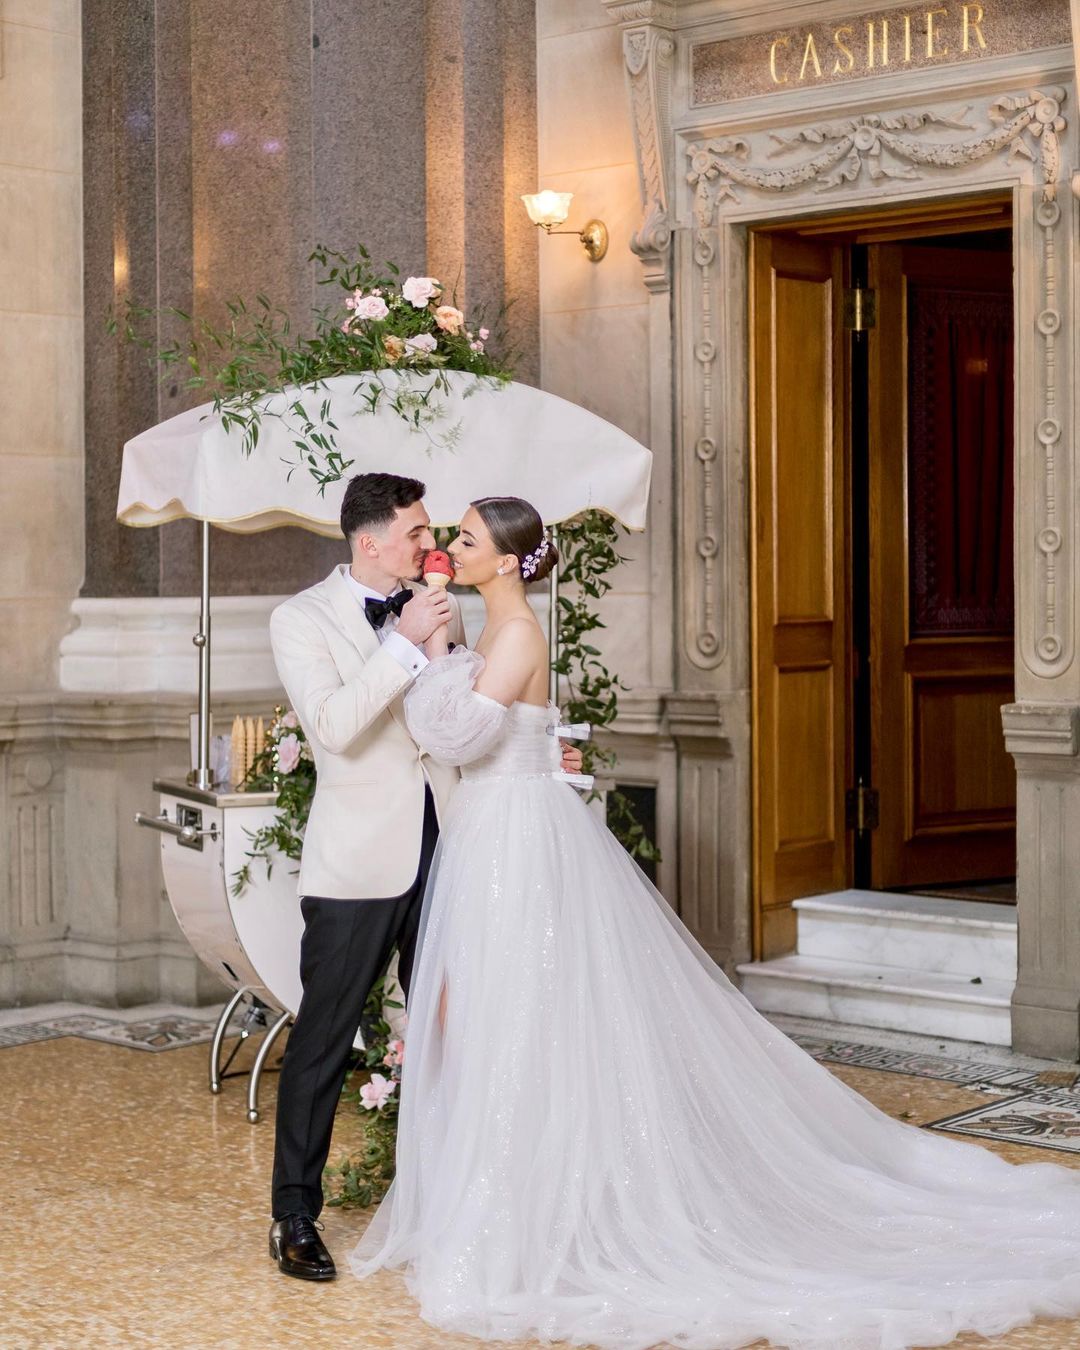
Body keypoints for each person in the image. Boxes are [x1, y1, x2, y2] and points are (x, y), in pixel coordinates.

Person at [351, 494, 1080, 1350]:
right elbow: (501, 734)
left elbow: (457, 740)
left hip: (513, 840)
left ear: (508, 561)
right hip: (494, 831)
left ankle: (538, 1216)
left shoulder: (513, 635)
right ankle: (509, 1200)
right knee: (499, 1014)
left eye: (467, 538)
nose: (452, 546)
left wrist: (430, 651)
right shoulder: (495, 632)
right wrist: (451, 659)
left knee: (519, 1014)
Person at [266, 473, 582, 1282]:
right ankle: (294, 1215)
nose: (430, 543)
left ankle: (450, 1198)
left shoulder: (444, 607)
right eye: (416, 531)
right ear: (371, 542)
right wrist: (403, 644)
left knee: (457, 1030)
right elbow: (333, 727)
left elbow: (477, 718)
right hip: (359, 860)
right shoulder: (300, 619)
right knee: (325, 1040)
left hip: (458, 848)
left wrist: (543, 752)